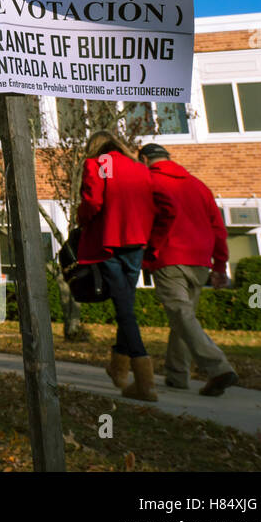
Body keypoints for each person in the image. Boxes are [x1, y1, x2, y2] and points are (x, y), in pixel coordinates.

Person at [140, 144, 239, 396]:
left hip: (169, 256)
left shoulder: (149, 181)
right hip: (201, 262)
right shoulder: (199, 186)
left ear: (144, 158)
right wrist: (219, 265)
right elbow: (218, 228)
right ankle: (176, 376)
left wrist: (148, 252)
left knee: (181, 315)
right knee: (183, 319)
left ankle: (218, 367)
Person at [76, 130, 158, 401]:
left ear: (94, 148)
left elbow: (92, 202)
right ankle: (118, 368)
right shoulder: (139, 168)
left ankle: (145, 379)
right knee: (126, 306)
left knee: (124, 310)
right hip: (136, 240)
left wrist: (82, 220)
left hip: (109, 240)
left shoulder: (97, 165)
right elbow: (151, 204)